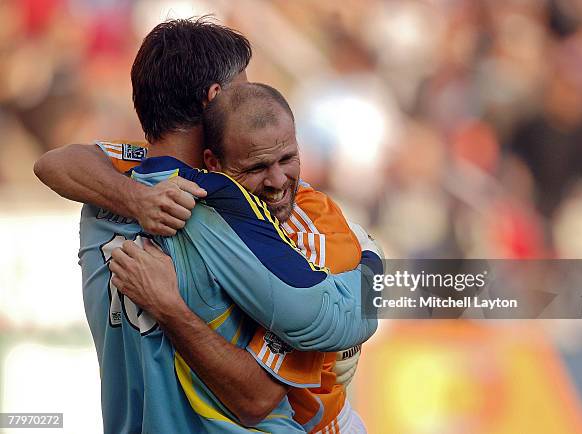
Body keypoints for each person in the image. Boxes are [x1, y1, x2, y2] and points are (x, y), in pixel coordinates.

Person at [34, 18, 379, 433]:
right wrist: (372, 263)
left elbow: (56, 162)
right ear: (215, 97)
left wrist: (133, 198)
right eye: (244, 87)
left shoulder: (103, 191)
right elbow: (259, 396)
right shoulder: (226, 205)